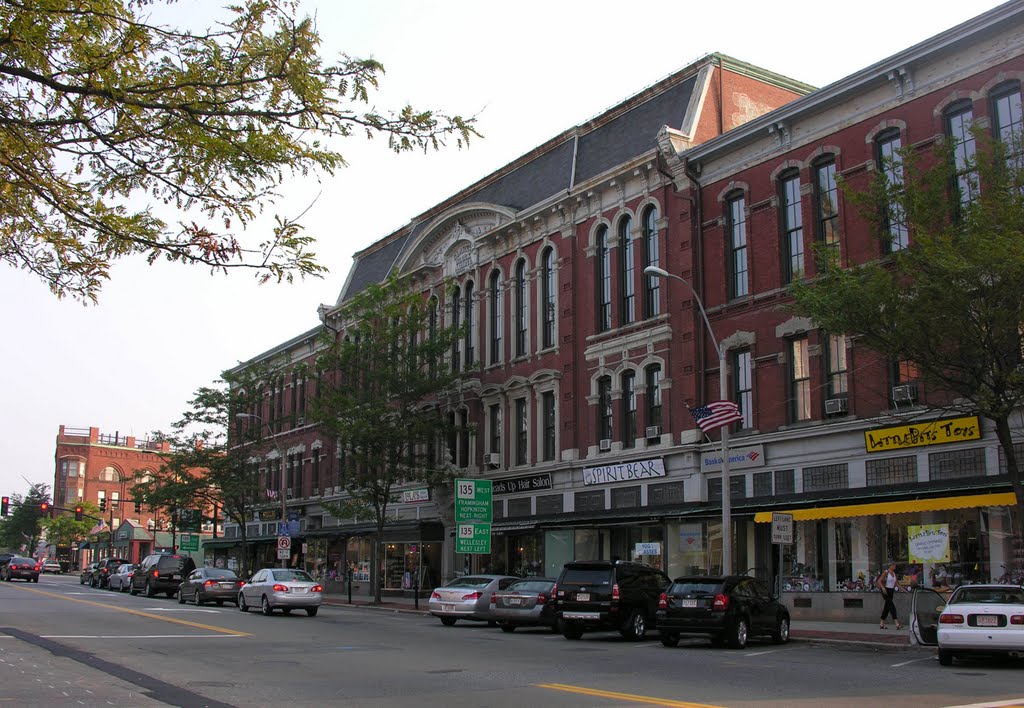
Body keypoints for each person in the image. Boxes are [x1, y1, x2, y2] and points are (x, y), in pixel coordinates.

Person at [877, 562, 903, 629]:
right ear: (890, 566)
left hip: (891, 591)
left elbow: (896, 583)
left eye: (895, 565)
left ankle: (881, 623)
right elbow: (879, 581)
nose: (895, 566)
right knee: (892, 606)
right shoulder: (886, 572)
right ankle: (897, 623)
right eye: (894, 565)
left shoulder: (894, 574)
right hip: (886, 590)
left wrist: (903, 589)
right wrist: (883, 588)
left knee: (887, 607)